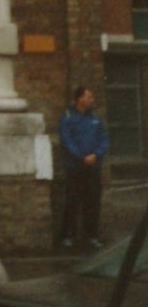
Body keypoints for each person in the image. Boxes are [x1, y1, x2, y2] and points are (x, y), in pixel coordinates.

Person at [58, 85, 109, 250]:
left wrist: (96, 154)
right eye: (89, 97)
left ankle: (92, 236)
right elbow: (67, 141)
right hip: (75, 168)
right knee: (72, 202)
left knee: (93, 202)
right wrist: (81, 157)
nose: (92, 100)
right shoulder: (67, 117)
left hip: (93, 167)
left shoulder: (95, 118)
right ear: (80, 98)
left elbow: (104, 139)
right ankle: (67, 236)